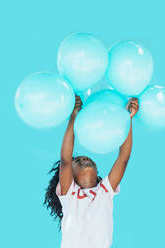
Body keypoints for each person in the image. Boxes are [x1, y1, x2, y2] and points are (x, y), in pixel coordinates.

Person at [44, 95, 139, 248]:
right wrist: (73, 117)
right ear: (71, 176)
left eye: (87, 159)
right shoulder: (70, 195)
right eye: (79, 161)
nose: (85, 160)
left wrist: (128, 119)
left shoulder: (105, 192)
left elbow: (123, 159)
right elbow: (66, 160)